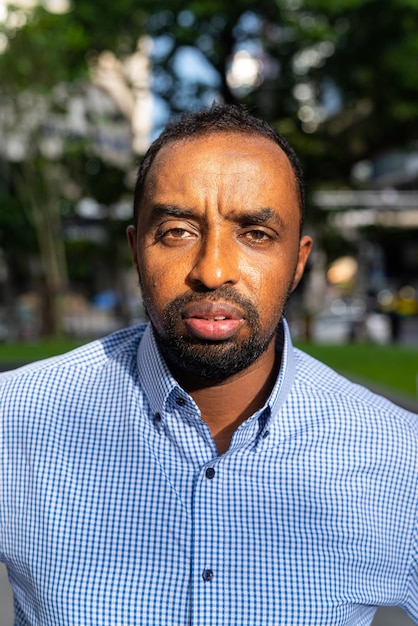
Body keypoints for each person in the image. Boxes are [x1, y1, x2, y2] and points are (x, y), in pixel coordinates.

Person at [1, 104, 417, 626]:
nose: (213, 270)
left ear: (298, 263)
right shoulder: (14, 419)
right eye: (177, 231)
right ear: (136, 251)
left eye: (256, 235)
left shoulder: (400, 459)